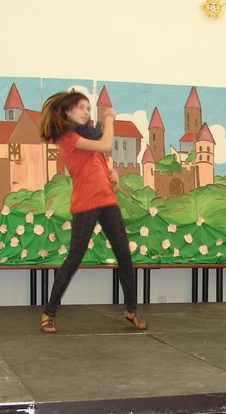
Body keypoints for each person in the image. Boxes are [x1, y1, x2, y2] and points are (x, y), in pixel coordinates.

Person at [38, 90, 147, 333]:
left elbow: (96, 158)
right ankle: (49, 312)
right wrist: (109, 120)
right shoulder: (68, 137)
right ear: (68, 111)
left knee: (124, 255)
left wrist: (111, 170)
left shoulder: (89, 135)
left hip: (107, 199)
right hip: (86, 202)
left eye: (88, 108)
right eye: (81, 107)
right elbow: (106, 144)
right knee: (74, 258)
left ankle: (131, 310)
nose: (86, 112)